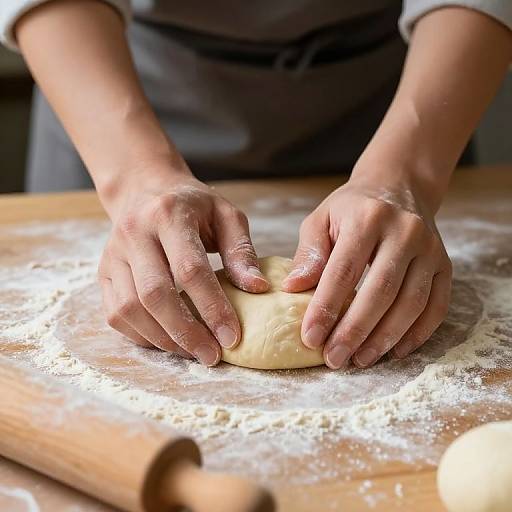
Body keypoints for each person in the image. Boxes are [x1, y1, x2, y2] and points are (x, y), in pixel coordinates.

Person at [1, 1, 511, 369]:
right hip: (115, 81)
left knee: (392, 271)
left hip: (397, 93)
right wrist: (135, 177)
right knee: (148, 278)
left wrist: (406, 177)